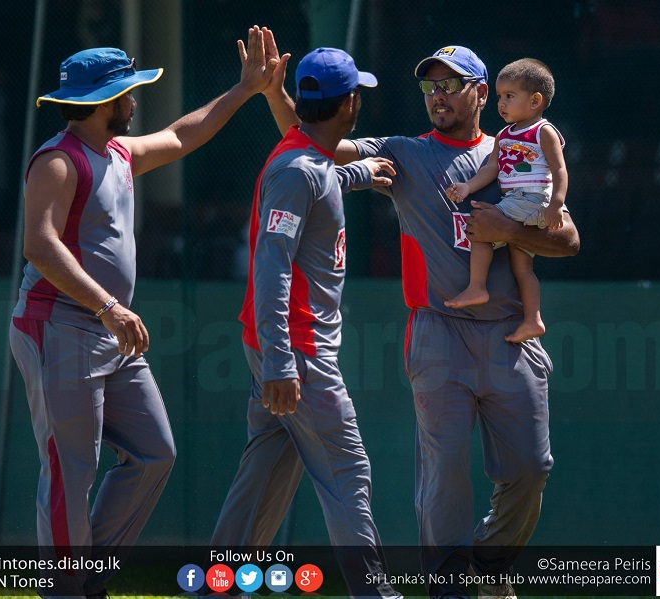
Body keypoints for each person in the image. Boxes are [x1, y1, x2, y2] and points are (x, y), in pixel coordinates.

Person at [261, 40, 580, 599]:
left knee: (531, 469)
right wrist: (274, 93)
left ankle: (488, 567)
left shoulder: (515, 148)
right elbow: (316, 139)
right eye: (430, 86)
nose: (438, 96)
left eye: (450, 85)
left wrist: (509, 231)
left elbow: (569, 240)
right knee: (444, 475)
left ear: (481, 93)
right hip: (437, 333)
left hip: (509, 335)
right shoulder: (405, 151)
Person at [8, 29, 276, 598]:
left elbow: (182, 135)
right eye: (126, 92)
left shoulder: (120, 153)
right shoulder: (58, 160)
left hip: (107, 330)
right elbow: (39, 245)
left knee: (155, 454)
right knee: (70, 470)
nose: (134, 100)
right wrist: (108, 306)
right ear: (102, 101)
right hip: (60, 325)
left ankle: (84, 578)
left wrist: (246, 89)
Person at [209, 46, 401, 599]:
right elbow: (271, 266)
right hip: (297, 353)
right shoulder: (297, 170)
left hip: (283, 349)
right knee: (348, 473)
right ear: (349, 104)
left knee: (264, 476)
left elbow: (323, 177)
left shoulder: (306, 157)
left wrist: (361, 173)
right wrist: (280, 362)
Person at [445, 58, 567, 343]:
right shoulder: (504, 135)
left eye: (509, 96)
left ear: (535, 101)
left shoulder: (543, 131)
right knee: (522, 267)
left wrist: (556, 204)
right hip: (517, 201)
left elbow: (560, 169)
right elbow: (491, 168)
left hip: (532, 199)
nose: (501, 103)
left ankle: (477, 287)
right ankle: (533, 320)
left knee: (481, 228)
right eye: (500, 96)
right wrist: (467, 186)